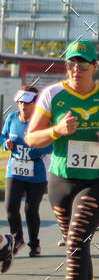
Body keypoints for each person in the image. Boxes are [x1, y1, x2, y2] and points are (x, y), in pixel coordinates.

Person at [26, 39, 99, 280]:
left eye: (82, 63)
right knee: (78, 247)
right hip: (60, 180)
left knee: (75, 240)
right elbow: (32, 138)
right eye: (71, 62)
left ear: (94, 66)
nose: (75, 68)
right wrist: (56, 130)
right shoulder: (52, 95)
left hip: (95, 182)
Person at [1, 86, 52, 257]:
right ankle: (18, 238)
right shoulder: (12, 118)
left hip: (36, 170)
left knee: (31, 210)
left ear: (35, 103)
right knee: (10, 207)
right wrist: (5, 143)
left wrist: (37, 144)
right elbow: (2, 136)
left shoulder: (42, 122)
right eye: (20, 102)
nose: (23, 106)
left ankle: (34, 244)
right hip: (15, 168)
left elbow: (52, 144)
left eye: (27, 103)